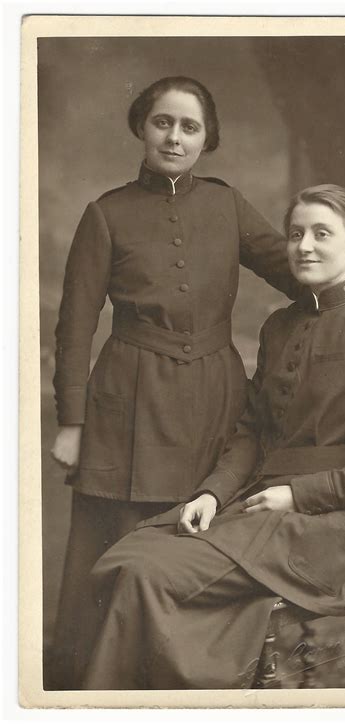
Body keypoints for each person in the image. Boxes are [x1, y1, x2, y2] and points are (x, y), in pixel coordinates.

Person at [80, 184, 345, 690]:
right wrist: (211, 492)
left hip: (330, 531)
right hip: (258, 512)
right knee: (123, 557)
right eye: (295, 233)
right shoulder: (280, 327)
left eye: (322, 234)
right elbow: (251, 435)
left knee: (145, 575)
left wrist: (298, 494)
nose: (304, 246)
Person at [48, 76, 300, 689]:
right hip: (127, 401)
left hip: (214, 395)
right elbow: (75, 326)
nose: (175, 137)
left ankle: (181, 681)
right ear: (142, 126)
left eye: (189, 127)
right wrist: (73, 424)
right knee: (109, 547)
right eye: (163, 122)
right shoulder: (105, 214)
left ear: (207, 138)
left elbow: (290, 268)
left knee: (193, 540)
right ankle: (94, 691)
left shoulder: (226, 203)